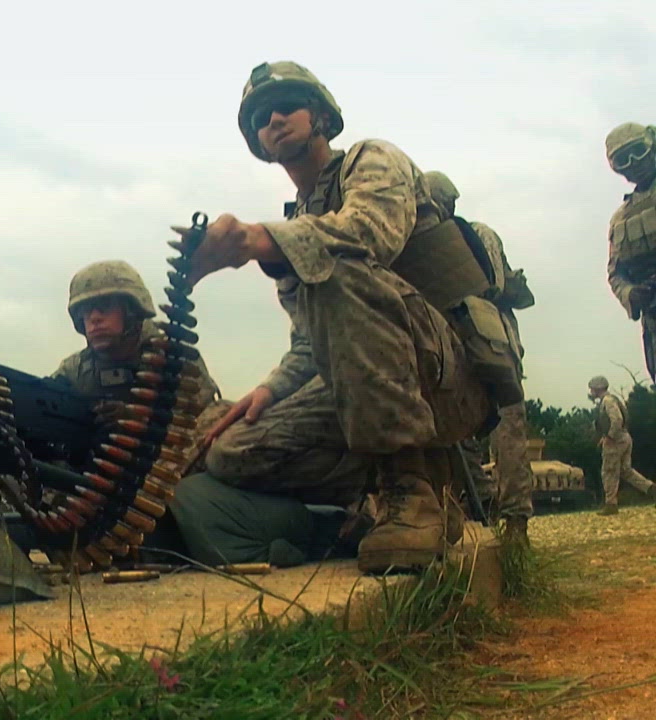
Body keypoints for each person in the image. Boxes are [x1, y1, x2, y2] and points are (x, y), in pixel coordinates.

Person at [179, 61, 492, 573]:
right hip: (367, 380)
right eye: (260, 116)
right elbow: (311, 342)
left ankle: (412, 493)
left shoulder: (372, 161)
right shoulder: (298, 224)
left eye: (286, 106)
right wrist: (271, 390)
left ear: (321, 115)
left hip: (444, 372)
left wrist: (263, 240)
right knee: (231, 450)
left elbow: (369, 235)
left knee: (332, 268)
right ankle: (405, 494)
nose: (274, 118)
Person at [424, 170, 537, 543]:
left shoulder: (475, 233)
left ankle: (515, 523)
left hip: (491, 343)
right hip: (449, 348)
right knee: (455, 432)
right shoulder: (415, 243)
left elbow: (492, 284)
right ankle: (478, 511)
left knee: (508, 429)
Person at [51, 259, 219, 408]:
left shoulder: (173, 358)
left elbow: (205, 427)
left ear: (132, 310)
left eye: (105, 305)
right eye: (85, 311)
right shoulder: (75, 371)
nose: (94, 317)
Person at [604, 123, 656, 382]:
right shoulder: (620, 220)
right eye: (622, 160)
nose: (633, 163)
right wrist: (630, 294)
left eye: (638, 152)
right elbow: (615, 273)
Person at [588, 375, 655, 515]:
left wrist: (610, 437)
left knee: (609, 472)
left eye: (592, 389)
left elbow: (617, 419)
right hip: (624, 438)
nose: (591, 392)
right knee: (626, 471)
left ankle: (611, 504)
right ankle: (651, 489)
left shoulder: (607, 401)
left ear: (597, 388)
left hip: (616, 441)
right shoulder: (612, 399)